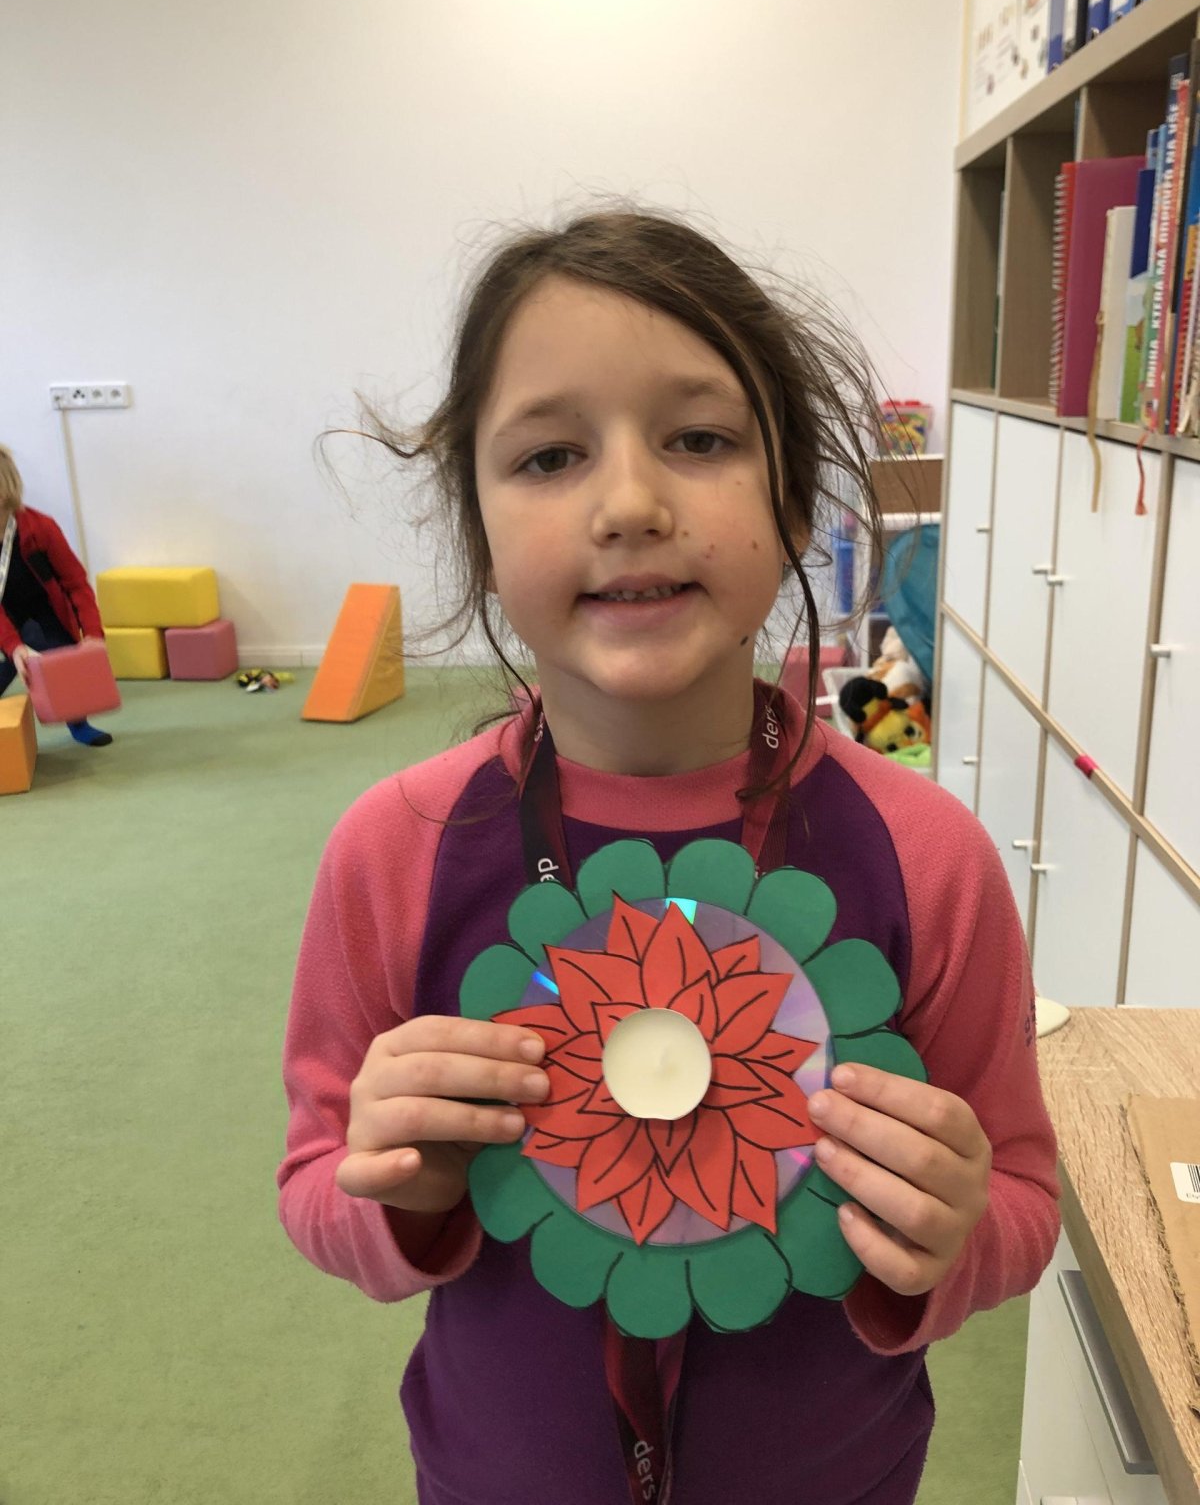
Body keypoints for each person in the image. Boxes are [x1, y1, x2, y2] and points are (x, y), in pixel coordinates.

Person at [276, 209, 1060, 1505]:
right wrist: (400, 1190)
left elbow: (1022, 1196)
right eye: (549, 456)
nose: (631, 504)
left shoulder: (930, 859)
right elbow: (317, 1183)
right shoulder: (394, 853)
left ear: (792, 495)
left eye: (699, 439)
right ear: (476, 529)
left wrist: (953, 1231)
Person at [0, 445, 113, 746]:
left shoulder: (40, 528)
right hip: (3, 617)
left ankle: (78, 722)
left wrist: (93, 634)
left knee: (60, 658)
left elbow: (76, 584)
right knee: (12, 661)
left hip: (41, 611)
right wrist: (13, 647)